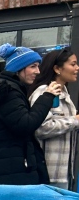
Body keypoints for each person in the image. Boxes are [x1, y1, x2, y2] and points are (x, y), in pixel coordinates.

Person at [0, 43, 62, 185]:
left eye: (38, 66)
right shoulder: (8, 91)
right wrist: (47, 96)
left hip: (9, 171)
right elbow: (25, 124)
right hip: (12, 174)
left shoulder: (11, 89)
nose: (38, 71)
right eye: (33, 66)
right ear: (18, 68)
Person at [30, 47, 79, 189]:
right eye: (73, 64)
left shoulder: (65, 93)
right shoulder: (44, 92)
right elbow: (41, 128)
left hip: (65, 174)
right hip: (48, 175)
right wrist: (75, 121)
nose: (77, 68)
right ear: (57, 69)